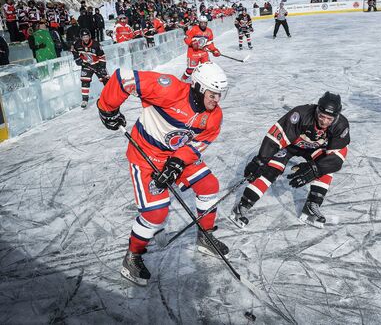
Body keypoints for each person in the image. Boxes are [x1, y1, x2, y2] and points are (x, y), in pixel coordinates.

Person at [96, 62, 229, 286]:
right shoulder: (168, 89)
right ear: (197, 87)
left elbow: (200, 142)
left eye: (219, 95)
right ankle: (132, 257)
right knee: (156, 213)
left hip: (176, 155)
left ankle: (204, 236)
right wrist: (107, 109)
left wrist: (178, 161)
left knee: (209, 186)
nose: (217, 100)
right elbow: (124, 77)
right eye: (213, 94)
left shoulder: (213, 116)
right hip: (146, 155)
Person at [231, 92, 350, 229]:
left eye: (329, 119)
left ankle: (312, 206)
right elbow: (274, 139)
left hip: (314, 149)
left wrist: (314, 170)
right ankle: (243, 205)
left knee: (325, 166)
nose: (324, 121)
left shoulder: (341, 126)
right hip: (289, 146)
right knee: (271, 169)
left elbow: (336, 159)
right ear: (317, 110)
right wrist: (260, 161)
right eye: (322, 116)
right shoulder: (301, 114)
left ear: (336, 117)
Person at [71, 29, 108, 108]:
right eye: (84, 37)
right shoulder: (77, 44)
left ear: (90, 36)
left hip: (97, 64)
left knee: (105, 79)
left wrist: (102, 67)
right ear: (81, 37)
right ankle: (85, 100)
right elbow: (73, 51)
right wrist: (77, 58)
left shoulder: (96, 44)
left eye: (87, 36)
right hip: (86, 65)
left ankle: (112, 94)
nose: (86, 38)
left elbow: (102, 56)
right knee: (85, 81)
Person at [182, 15, 221, 80]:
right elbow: (186, 38)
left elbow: (210, 43)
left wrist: (214, 50)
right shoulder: (193, 29)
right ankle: (183, 79)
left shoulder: (209, 31)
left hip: (203, 52)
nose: (203, 24)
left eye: (205, 23)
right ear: (199, 22)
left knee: (207, 67)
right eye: (201, 23)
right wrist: (192, 43)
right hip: (193, 53)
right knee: (190, 69)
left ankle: (205, 81)